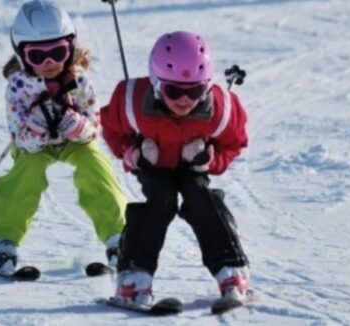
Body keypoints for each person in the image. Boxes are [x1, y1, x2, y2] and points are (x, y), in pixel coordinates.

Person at [100, 30, 250, 306]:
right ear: (156, 83)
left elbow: (235, 143)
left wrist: (209, 160)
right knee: (161, 201)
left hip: (191, 165)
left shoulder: (221, 109)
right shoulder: (131, 101)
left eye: (195, 91)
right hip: (152, 163)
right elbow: (109, 127)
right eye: (173, 91)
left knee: (201, 198)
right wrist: (132, 152)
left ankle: (231, 271)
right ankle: (133, 279)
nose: (184, 100)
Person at [0, 0, 126, 274]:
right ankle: (1, 244)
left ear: (71, 48)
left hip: (74, 141)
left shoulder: (79, 80)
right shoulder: (18, 87)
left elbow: (94, 124)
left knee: (95, 165)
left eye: (58, 52)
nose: (49, 63)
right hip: (35, 146)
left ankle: (120, 238)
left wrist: (77, 126)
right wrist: (34, 131)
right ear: (21, 54)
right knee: (26, 173)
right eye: (38, 56)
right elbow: (18, 137)